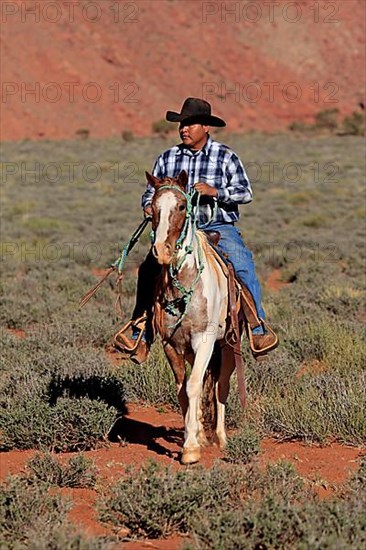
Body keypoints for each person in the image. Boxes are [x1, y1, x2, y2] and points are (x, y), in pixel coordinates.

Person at [116, 97, 277, 363]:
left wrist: (216, 192)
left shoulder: (225, 156)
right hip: (177, 232)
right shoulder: (167, 158)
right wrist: (149, 206)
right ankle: (141, 331)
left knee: (242, 263)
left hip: (216, 226)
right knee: (148, 269)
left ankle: (257, 327)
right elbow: (150, 192)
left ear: (205, 126)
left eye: (190, 124)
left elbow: (245, 192)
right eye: (181, 124)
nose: (184, 129)